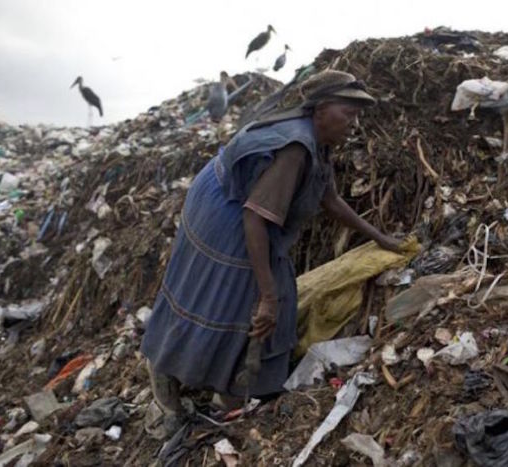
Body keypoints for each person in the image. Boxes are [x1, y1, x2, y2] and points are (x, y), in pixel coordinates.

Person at [141, 70, 402, 429]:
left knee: (263, 297)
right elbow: (255, 219)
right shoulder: (295, 148)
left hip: (236, 206)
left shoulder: (318, 141)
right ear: (321, 110)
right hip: (226, 216)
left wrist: (380, 238)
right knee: (227, 297)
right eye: (348, 113)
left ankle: (232, 387)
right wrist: (266, 296)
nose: (354, 124)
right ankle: (168, 378)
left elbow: (330, 198)